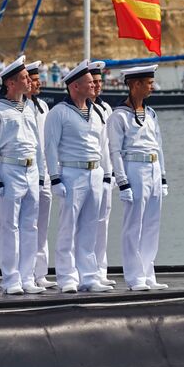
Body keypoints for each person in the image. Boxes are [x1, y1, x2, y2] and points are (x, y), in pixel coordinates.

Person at [43, 61, 113, 293]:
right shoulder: (59, 113)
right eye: (90, 82)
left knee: (90, 228)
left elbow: (102, 145)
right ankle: (66, 277)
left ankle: (89, 275)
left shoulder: (97, 112)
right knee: (68, 227)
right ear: (75, 86)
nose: (94, 85)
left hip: (95, 172)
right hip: (72, 173)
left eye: (94, 82)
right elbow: (50, 147)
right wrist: (55, 178)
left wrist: (107, 174)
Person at [107, 64, 169, 291]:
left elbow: (159, 146)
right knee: (134, 225)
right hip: (134, 168)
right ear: (136, 85)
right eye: (149, 83)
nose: (153, 87)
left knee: (152, 224)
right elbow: (115, 151)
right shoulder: (119, 116)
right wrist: (122, 182)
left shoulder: (151, 114)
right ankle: (134, 276)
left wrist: (162, 177)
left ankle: (147, 271)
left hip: (152, 168)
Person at [0, 57, 44, 295]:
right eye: (23, 78)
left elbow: (36, 144)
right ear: (10, 82)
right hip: (9, 169)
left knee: (30, 225)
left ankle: (27, 276)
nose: (29, 81)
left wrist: (40, 173)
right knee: (9, 226)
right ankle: (11, 278)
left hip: (31, 170)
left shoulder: (29, 107)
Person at [84, 61, 117, 288]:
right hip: (87, 172)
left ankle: (100, 270)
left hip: (105, 174)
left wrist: (113, 173)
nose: (97, 86)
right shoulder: (80, 110)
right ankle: (83, 271)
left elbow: (110, 145)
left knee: (102, 224)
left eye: (99, 82)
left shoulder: (106, 109)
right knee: (85, 224)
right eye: (93, 82)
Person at [25, 60, 54, 288]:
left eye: (37, 80)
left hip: (44, 171)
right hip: (25, 170)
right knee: (25, 223)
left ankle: (40, 271)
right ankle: (21, 271)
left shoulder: (43, 107)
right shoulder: (17, 107)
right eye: (33, 80)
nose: (37, 84)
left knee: (42, 224)